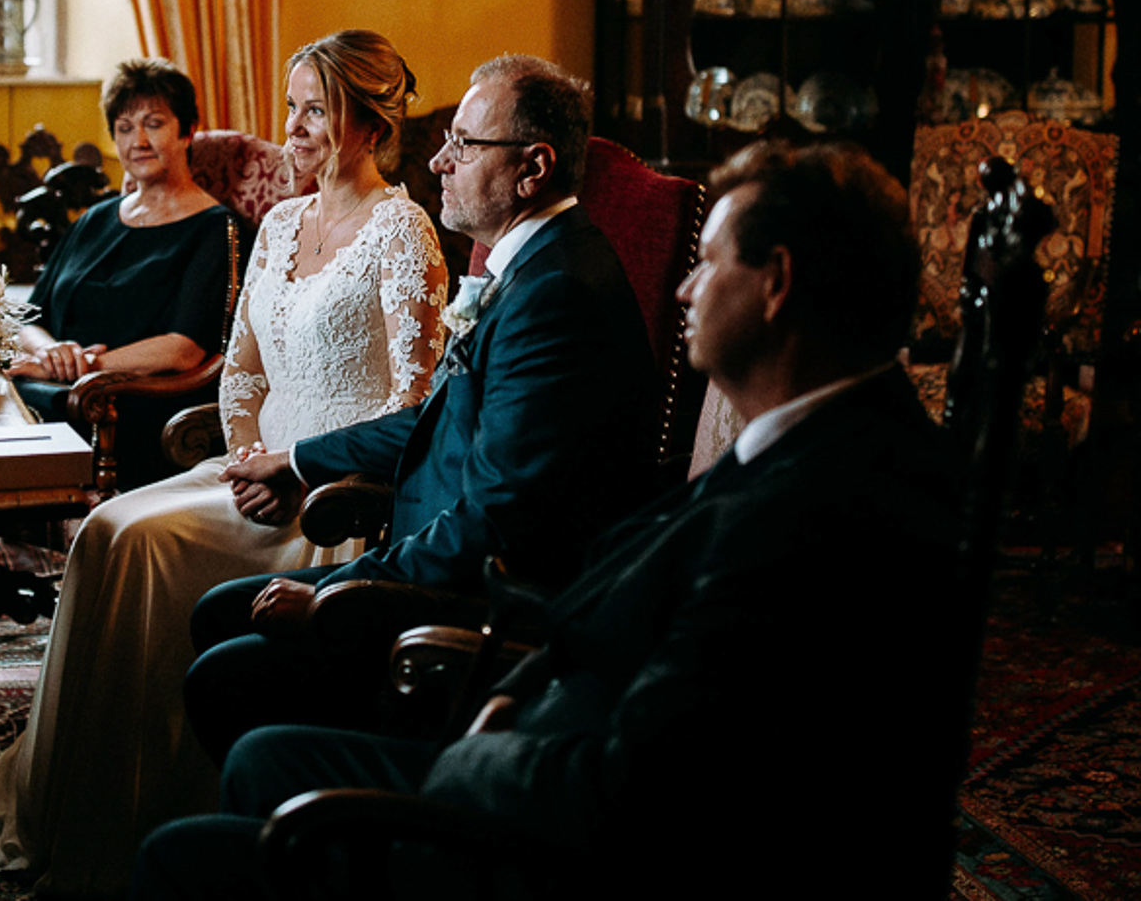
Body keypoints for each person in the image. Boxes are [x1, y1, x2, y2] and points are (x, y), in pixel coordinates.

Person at [134, 140, 965, 901]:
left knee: (183, 852)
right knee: (259, 756)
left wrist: (476, 750)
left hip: (556, 839)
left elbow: (640, 788)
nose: (683, 290)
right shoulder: (814, 438)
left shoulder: (818, 509)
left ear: (776, 283)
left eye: (708, 265)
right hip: (549, 712)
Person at [0, 31, 449, 898]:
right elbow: (242, 369)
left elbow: (416, 409)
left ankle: (154, 805)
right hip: (249, 469)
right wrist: (246, 453)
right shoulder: (282, 223)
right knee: (107, 528)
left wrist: (292, 470)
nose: (293, 127)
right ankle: (90, 799)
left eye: (315, 110)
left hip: (333, 497)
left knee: (134, 540)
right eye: (290, 105)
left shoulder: (404, 233)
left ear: (369, 125)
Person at [182, 54, 659, 765]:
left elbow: (495, 516)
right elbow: (432, 419)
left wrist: (345, 588)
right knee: (216, 612)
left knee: (222, 671)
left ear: (532, 169)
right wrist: (299, 459)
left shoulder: (559, 294)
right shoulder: (527, 265)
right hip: (431, 551)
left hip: (479, 605)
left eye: (464, 144)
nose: (439, 160)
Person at [0, 58, 236, 630]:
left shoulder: (215, 228)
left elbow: (185, 349)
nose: (137, 140)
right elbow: (30, 313)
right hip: (57, 389)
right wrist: (51, 352)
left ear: (188, 130)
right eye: (124, 128)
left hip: (131, 409)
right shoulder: (97, 218)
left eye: (153, 123)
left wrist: (86, 365)